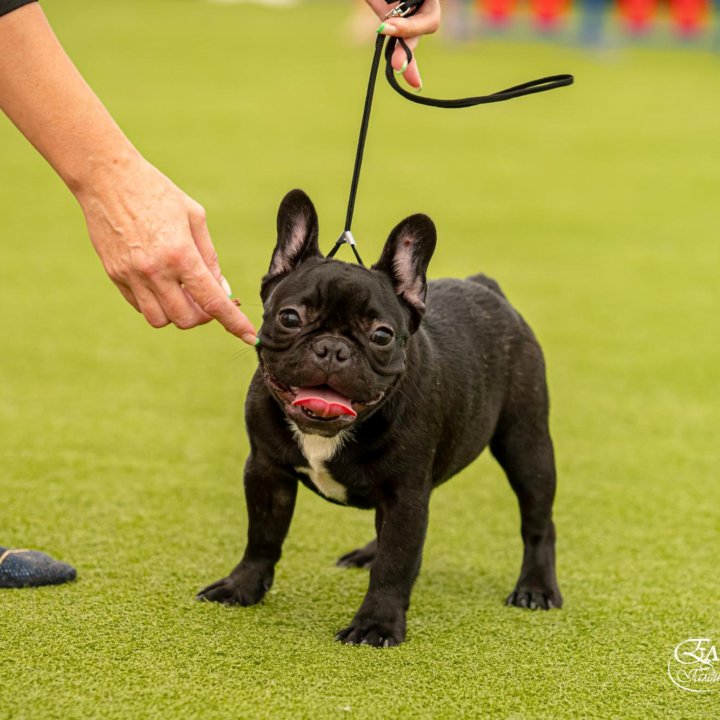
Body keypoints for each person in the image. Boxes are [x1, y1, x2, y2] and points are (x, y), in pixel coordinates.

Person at [0, 0, 440, 588]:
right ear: (279, 267)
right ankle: (256, 567)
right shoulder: (266, 408)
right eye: (295, 321)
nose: (330, 356)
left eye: (374, 337)